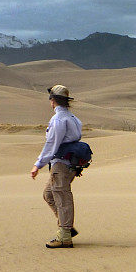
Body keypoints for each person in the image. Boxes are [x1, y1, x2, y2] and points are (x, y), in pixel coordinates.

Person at [31, 85, 83, 248]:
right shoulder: (73, 118)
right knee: (49, 194)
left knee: (61, 196)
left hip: (61, 164)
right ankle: (66, 225)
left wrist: (38, 164)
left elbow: (52, 144)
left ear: (53, 101)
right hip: (70, 163)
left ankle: (65, 234)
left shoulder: (59, 120)